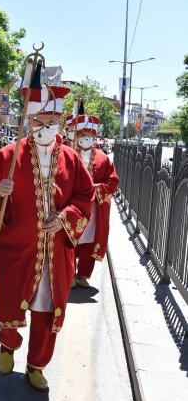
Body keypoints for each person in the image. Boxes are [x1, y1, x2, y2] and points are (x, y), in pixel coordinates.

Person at [0, 60, 94, 391]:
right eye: (40, 121)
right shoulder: (8, 155)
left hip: (56, 251)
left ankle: (36, 364)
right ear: (29, 121)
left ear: (59, 121)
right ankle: (8, 343)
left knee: (47, 305)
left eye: (52, 121)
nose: (46, 126)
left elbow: (84, 196)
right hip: (16, 247)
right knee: (11, 298)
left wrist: (66, 218)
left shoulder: (70, 158)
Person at [72, 114, 119, 288]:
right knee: (70, 239)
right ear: (77, 137)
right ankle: (69, 275)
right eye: (83, 135)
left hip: (94, 208)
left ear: (94, 137)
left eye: (89, 136)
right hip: (73, 207)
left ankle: (83, 274)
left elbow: (112, 181)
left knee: (89, 240)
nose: (86, 139)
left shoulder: (103, 158)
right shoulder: (68, 155)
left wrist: (96, 189)